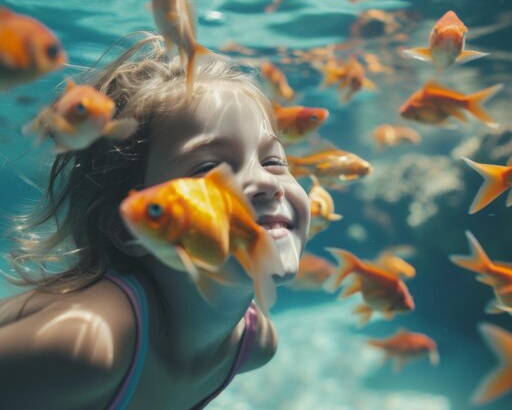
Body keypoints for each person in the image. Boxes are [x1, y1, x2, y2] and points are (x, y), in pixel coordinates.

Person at [0, 32, 310, 410]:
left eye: (274, 160)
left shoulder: (254, 343)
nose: (265, 181)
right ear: (127, 228)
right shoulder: (88, 345)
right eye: (209, 169)